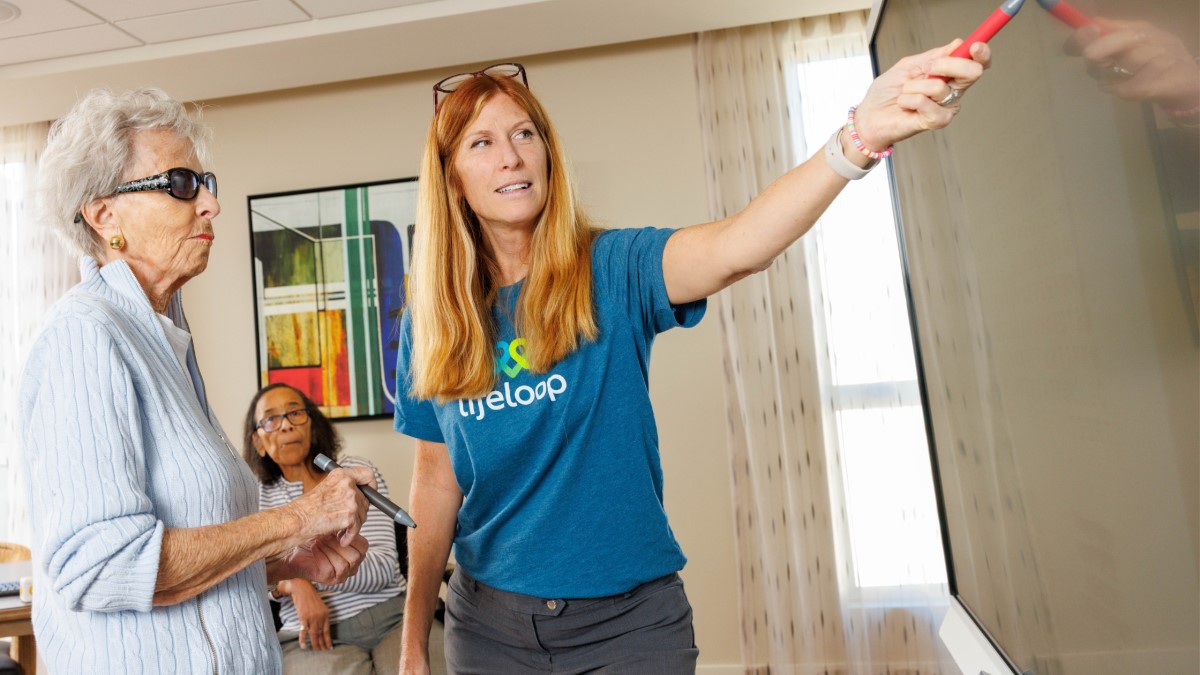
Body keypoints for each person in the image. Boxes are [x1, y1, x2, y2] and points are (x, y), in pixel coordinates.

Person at [394, 42, 990, 674]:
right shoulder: (434, 320)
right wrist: (412, 645)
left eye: (524, 133)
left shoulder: (612, 268)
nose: (511, 156)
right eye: (482, 143)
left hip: (629, 627)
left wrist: (857, 138)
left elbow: (740, 246)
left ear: (547, 152)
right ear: (452, 176)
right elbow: (435, 484)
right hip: (490, 631)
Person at [19, 87, 377, 675]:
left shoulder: (163, 340)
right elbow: (101, 568)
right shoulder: (84, 336)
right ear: (104, 215)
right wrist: (299, 518)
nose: (210, 204)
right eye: (182, 184)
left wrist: (282, 561)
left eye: (206, 183)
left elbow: (181, 564)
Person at [244, 383, 407, 674]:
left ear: (311, 424)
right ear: (259, 442)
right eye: (271, 419)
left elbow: (383, 569)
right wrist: (294, 585)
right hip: (311, 636)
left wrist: (301, 575)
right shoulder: (254, 498)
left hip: (393, 617)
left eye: (294, 413)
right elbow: (250, 575)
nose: (286, 426)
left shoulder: (351, 473)